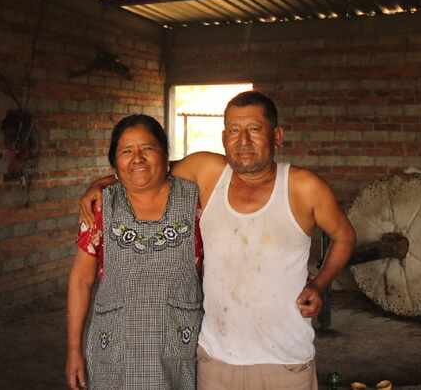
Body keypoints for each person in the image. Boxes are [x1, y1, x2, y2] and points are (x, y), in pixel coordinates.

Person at [80, 91, 356, 390]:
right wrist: (102, 183)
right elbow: (147, 168)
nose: (243, 141)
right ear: (224, 137)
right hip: (216, 360)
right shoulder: (208, 173)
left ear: (277, 136)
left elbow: (344, 235)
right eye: (234, 131)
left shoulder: (303, 187)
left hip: (285, 359)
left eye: (254, 129)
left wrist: (319, 284)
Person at [66, 114, 203, 390]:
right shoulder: (100, 207)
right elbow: (81, 280)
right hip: (116, 347)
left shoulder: (197, 201)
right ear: (115, 162)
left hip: (179, 345)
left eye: (148, 148)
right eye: (126, 151)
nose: (137, 158)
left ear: (166, 154)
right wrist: (73, 349)